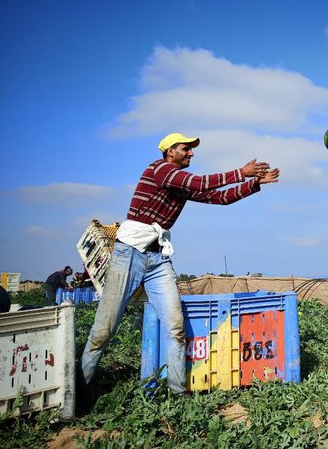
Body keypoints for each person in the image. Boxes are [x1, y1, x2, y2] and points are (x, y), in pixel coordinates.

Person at [79, 132, 280, 395]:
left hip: (158, 258)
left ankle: (177, 392)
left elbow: (220, 198)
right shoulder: (159, 169)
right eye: (186, 149)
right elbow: (201, 183)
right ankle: (80, 389)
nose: (191, 153)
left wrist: (254, 184)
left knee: (175, 327)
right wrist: (241, 172)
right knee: (104, 328)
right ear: (169, 151)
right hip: (130, 253)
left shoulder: (181, 184)